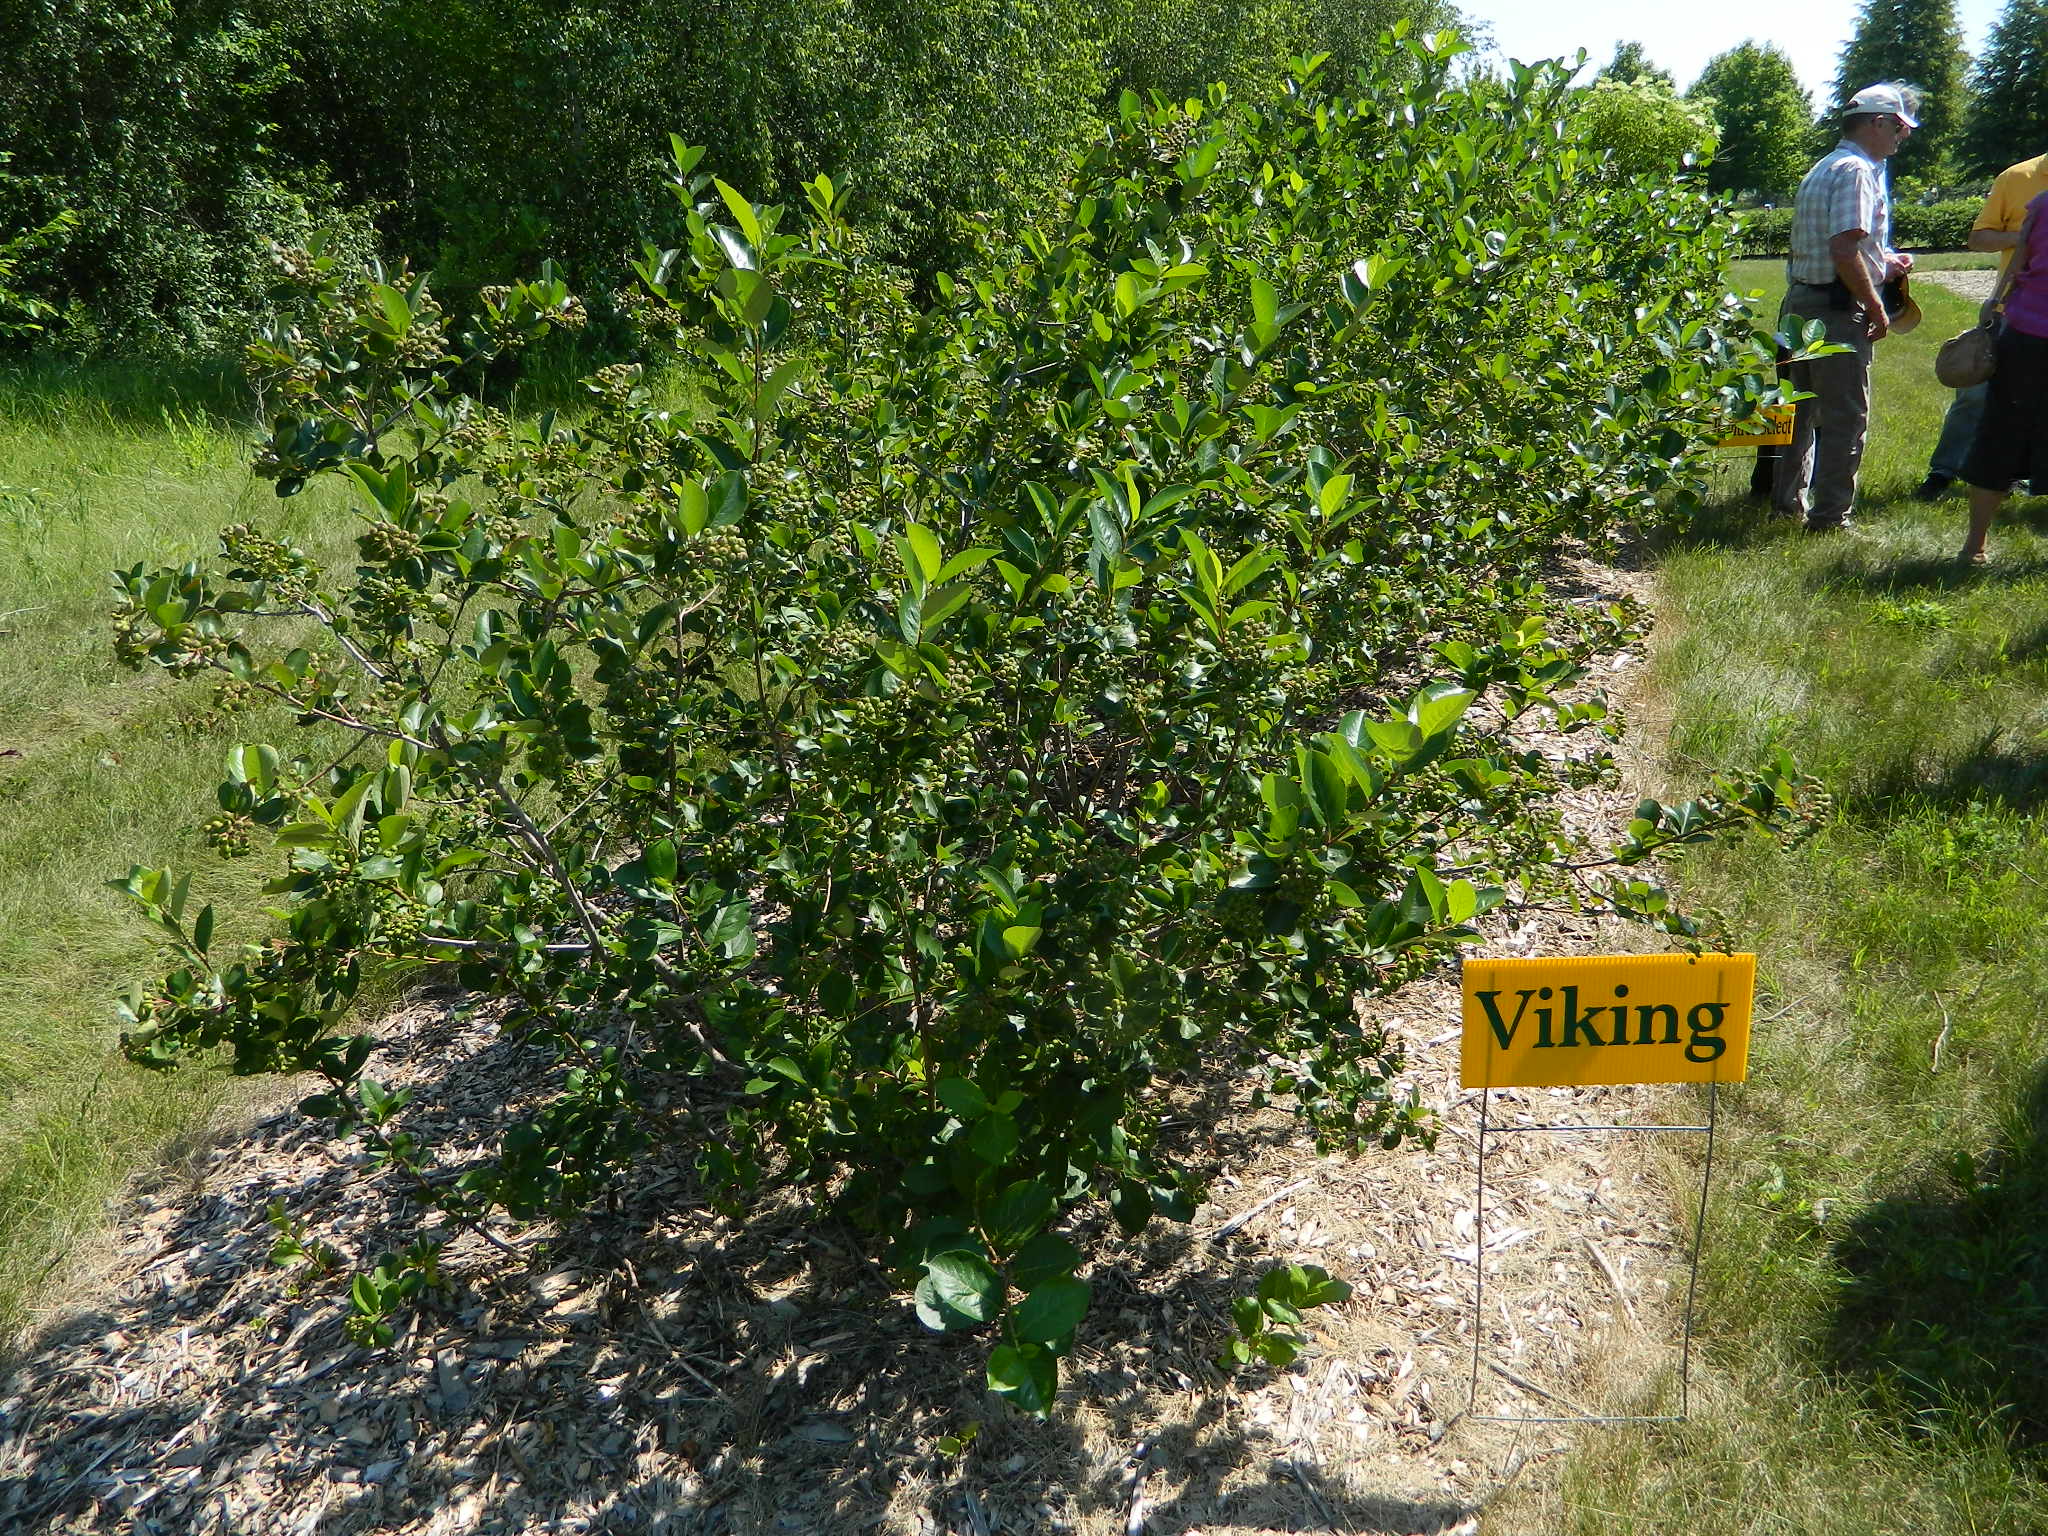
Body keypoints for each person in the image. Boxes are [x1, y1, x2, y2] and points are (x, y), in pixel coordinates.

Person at [1774, 83, 1919, 532]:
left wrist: (1883, 261)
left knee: (1796, 412)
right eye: (1898, 127)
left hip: (1799, 301)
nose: (1902, 136)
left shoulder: (1825, 166)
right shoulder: (1857, 171)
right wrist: (1875, 306)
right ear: (1877, 123)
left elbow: (1839, 244)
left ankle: (1786, 505)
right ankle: (1830, 517)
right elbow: (1843, 248)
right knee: (1844, 417)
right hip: (1836, 310)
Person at [1915, 148, 2048, 500]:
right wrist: (2028, 236)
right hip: (2014, 310)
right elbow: (1979, 238)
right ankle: (1943, 471)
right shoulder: (2017, 177)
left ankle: (2019, 475)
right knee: (1975, 395)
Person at [1957, 195, 2048, 563]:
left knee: (2001, 433)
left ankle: (1974, 547)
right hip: (2028, 333)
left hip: (2025, 330)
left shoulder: (2042, 204)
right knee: (2001, 433)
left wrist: (1994, 301)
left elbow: (2019, 257)